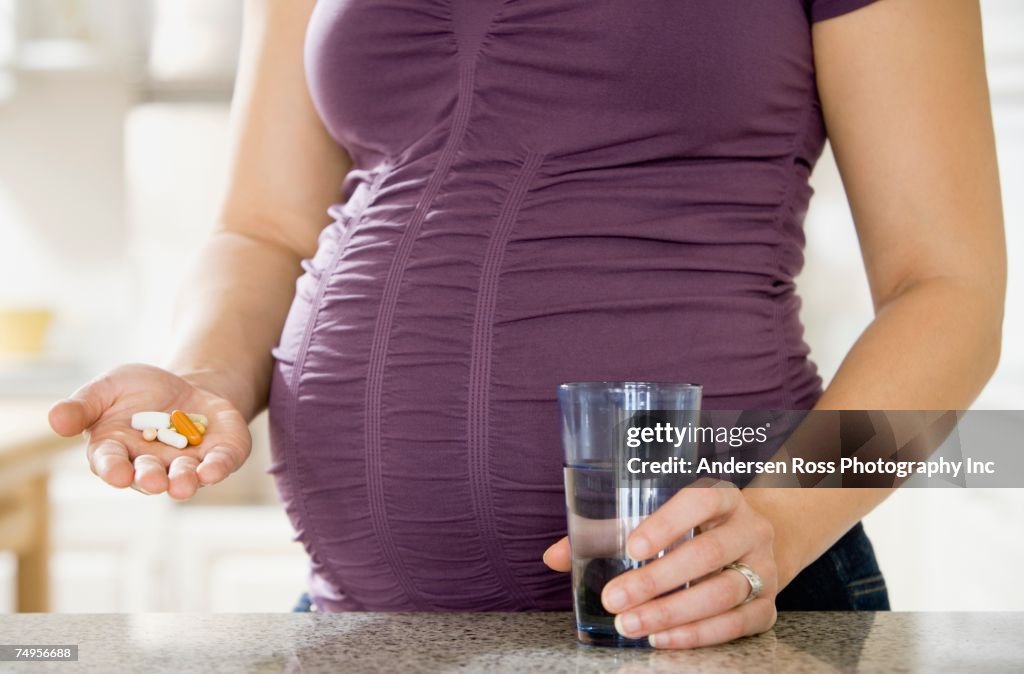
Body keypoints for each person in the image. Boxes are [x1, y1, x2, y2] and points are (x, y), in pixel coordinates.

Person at [49, 0, 1005, 649]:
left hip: (710, 619)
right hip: (368, 626)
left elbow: (952, 294)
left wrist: (783, 526)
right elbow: (260, 226)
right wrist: (206, 376)